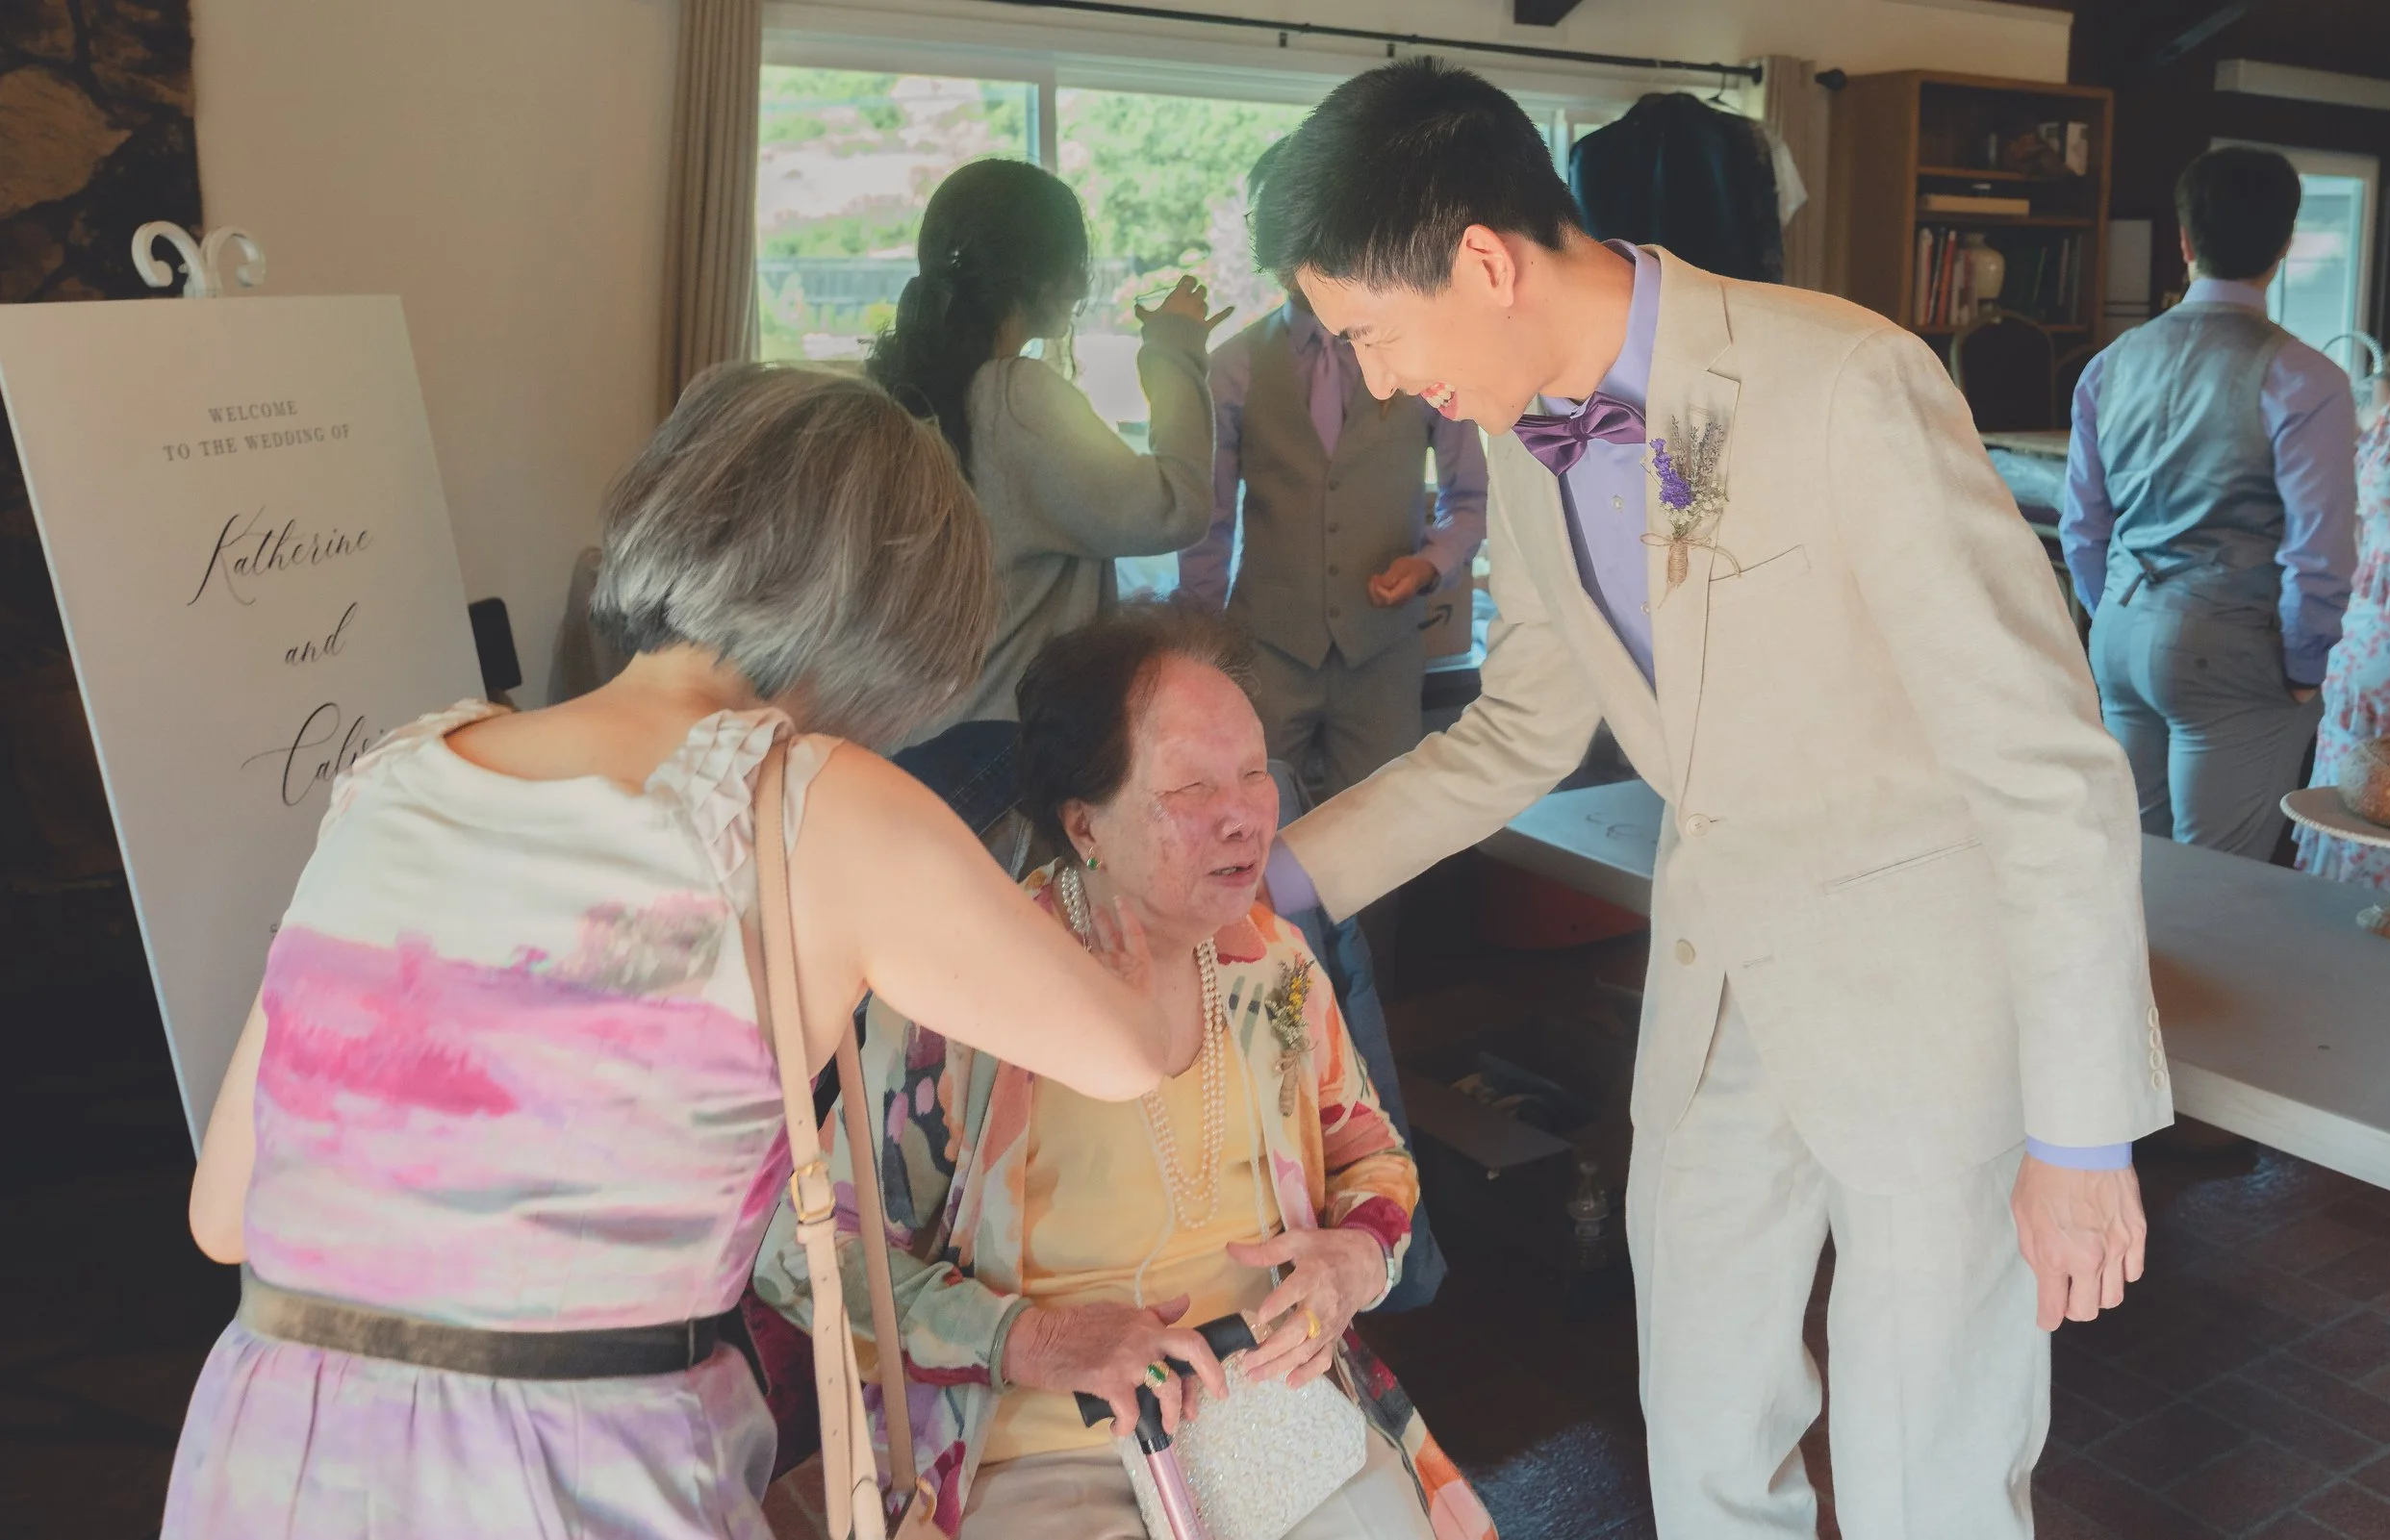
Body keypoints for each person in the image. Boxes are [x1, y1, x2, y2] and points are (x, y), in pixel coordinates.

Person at [1250, 61, 2169, 1539]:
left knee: (1928, 1473)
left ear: (1482, 262)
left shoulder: (1844, 380)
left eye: (1370, 332)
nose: (1371, 379)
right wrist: (1272, 885)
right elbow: (1519, 734)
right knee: (1701, 1438)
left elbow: (2048, 767)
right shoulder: (1520, 438)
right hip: (1711, 996)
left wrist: (2082, 1132)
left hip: (1926, 1012)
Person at [162, 367, 1186, 1540]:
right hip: (565, 1471)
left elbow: (225, 1214)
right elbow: (1126, 1051)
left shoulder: (393, 776)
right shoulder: (813, 800)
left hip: (271, 1451)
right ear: (902, 614)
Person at [753, 605, 1494, 1540]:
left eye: (1255, 772)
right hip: (1048, 1441)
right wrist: (1033, 1338)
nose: (1244, 814)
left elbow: (1372, 1156)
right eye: (1190, 786)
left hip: (1271, 1418)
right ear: (1084, 823)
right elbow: (802, 1256)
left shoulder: (1273, 964)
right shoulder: (968, 994)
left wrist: (1357, 1257)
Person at [2063, 145, 2359, 861]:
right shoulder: (2307, 378)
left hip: (2120, 630)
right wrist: (2304, 668)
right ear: (2285, 244)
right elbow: (2320, 552)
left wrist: (2118, 617)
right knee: (2220, 883)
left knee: (2139, 872)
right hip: (2230, 645)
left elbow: (2082, 528)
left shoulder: (2109, 364)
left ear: (2185, 241)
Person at [869, 159, 1230, 739]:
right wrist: (1174, 349)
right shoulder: (1015, 394)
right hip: (1007, 741)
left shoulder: (893, 389)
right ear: (1042, 275)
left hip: (921, 736)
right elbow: (1176, 506)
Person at [1182, 140, 1488, 802]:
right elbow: (1208, 524)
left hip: (1383, 653)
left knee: (1386, 825)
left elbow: (1470, 499)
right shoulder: (1232, 366)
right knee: (1248, 823)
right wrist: (1200, 651)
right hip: (1264, 650)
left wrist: (1430, 563)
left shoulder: (1419, 355)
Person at [2299, 321, 2390, 886]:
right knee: (2370, 783)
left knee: (2368, 790)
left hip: (2371, 634)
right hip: (2375, 637)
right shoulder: (2380, 407)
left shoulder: (2382, 410)